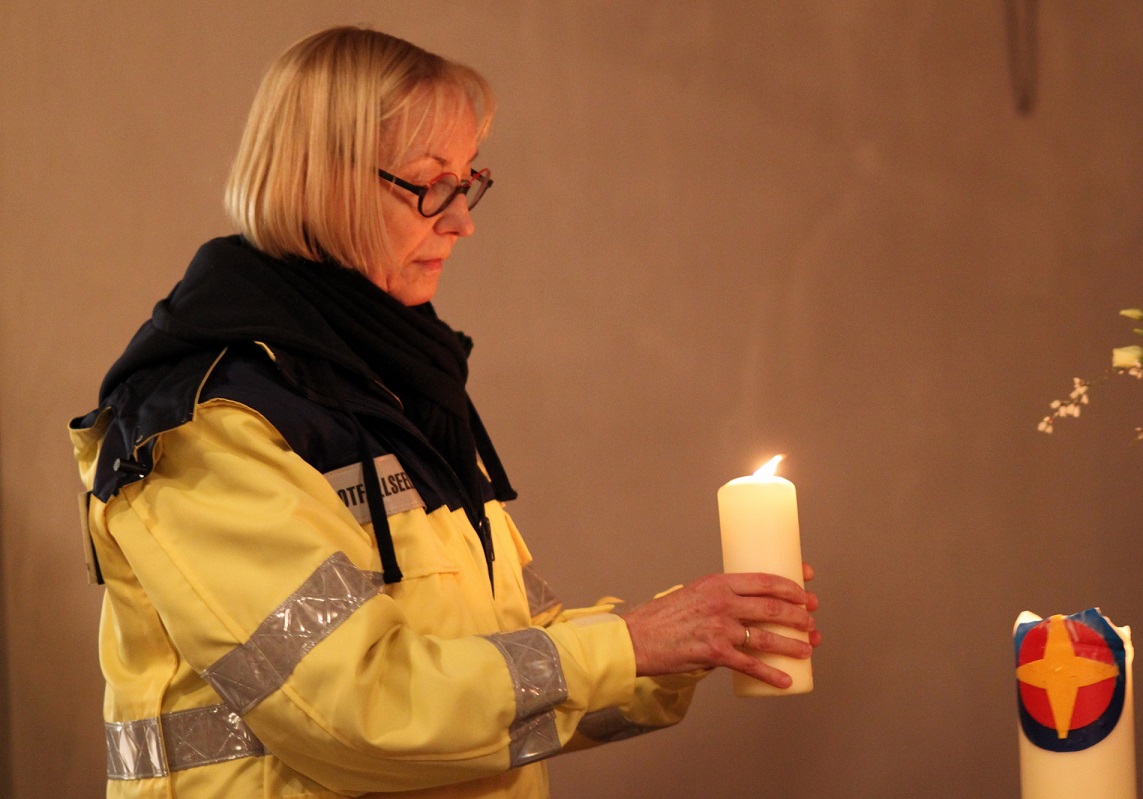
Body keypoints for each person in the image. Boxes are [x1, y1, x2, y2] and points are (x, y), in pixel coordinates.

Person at [69, 25, 820, 799]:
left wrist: (686, 639)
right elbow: (354, 715)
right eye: (432, 186)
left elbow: (506, 676)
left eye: (469, 183)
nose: (462, 221)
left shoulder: (397, 391)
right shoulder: (206, 420)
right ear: (325, 177)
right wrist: (631, 643)